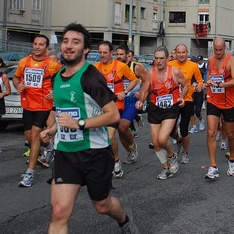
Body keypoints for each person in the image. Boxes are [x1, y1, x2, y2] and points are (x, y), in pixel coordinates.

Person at [39, 23, 139, 234]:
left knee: (102, 205)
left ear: (85, 49)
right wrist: (52, 130)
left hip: (95, 153)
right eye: (65, 41)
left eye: (75, 42)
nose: (68, 46)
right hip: (66, 153)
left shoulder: (91, 77)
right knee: (58, 213)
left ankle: (124, 220)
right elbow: (64, 113)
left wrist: (80, 124)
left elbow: (112, 115)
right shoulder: (57, 78)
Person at [13, 34, 62, 187]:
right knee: (29, 136)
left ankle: (29, 173)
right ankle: (48, 146)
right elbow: (16, 78)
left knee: (35, 135)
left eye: (41, 44)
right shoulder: (24, 62)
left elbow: (63, 79)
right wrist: (17, 85)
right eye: (35, 43)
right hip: (27, 104)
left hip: (43, 105)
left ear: (46, 48)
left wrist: (55, 90)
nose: (37, 47)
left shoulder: (52, 65)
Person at [136, 46, 187, 179]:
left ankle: (171, 156)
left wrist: (182, 97)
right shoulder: (151, 73)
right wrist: (141, 101)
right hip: (155, 108)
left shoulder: (175, 72)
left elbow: (186, 84)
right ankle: (166, 168)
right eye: (156, 58)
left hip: (171, 108)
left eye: (161, 58)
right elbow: (145, 89)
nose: (158, 61)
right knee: (156, 142)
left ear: (167, 59)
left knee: (162, 138)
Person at [95, 41, 143, 177]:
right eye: (100, 52)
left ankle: (116, 161)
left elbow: (134, 80)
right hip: (99, 107)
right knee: (101, 138)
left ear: (111, 53)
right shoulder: (95, 67)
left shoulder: (121, 66)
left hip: (116, 107)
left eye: (105, 52)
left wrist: (125, 91)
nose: (102, 55)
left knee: (111, 136)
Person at [204, 37, 234, 180]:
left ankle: (232, 159)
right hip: (213, 100)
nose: (218, 52)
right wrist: (206, 84)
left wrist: (220, 85)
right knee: (211, 132)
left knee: (230, 134)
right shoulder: (211, 60)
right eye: (216, 49)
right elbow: (209, 77)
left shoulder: (232, 60)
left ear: (225, 47)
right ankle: (213, 166)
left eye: (220, 49)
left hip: (229, 102)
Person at [168, 44, 204, 164]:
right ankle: (178, 141)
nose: (181, 55)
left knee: (184, 128)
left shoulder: (193, 66)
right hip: (173, 100)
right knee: (170, 129)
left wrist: (199, 87)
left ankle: (185, 152)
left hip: (187, 100)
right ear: (175, 53)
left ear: (187, 53)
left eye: (183, 52)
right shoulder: (170, 65)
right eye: (179, 52)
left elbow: (200, 81)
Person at [189, 55, 208, 133]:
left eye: (194, 62)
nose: (193, 64)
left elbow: (203, 83)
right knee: (190, 111)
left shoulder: (200, 71)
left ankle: (201, 120)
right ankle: (194, 126)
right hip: (190, 93)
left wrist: (203, 91)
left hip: (199, 93)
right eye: (191, 62)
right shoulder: (188, 71)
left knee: (197, 112)